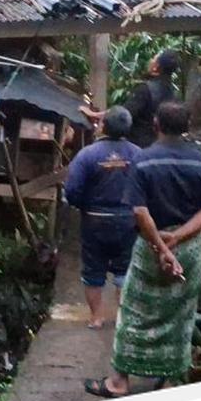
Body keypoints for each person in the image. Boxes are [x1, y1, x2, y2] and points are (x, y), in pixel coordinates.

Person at [83, 101, 201, 398]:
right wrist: (178, 238)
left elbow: (139, 211)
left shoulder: (143, 161)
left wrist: (160, 244)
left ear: (156, 124)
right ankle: (169, 381)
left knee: (134, 310)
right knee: (180, 313)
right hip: (188, 249)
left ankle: (119, 382)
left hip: (150, 246)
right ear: (187, 127)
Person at [64, 106, 141, 329]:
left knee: (93, 270)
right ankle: (123, 319)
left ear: (103, 126)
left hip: (94, 220)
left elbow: (72, 190)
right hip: (128, 220)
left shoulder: (87, 155)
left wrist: (83, 207)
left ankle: (97, 317)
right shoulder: (138, 154)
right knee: (125, 270)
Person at [80, 50, 181, 148]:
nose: (151, 60)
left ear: (156, 67)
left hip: (139, 145)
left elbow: (123, 114)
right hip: (160, 145)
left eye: (154, 59)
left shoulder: (146, 89)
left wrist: (94, 115)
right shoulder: (172, 92)